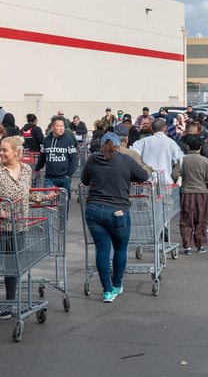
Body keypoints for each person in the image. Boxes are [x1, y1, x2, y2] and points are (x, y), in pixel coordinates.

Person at [0, 136, 50, 320]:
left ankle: (10, 303)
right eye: (0, 150)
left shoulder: (26, 169)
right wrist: (0, 213)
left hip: (19, 226)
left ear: (17, 152)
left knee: (14, 266)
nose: (0, 153)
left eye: (5, 150)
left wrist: (44, 198)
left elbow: (26, 193)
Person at [81, 132, 149, 303]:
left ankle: (107, 291)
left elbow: (84, 179)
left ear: (101, 145)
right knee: (120, 249)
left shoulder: (92, 159)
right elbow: (143, 175)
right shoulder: (124, 159)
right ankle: (117, 284)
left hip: (93, 210)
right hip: (117, 211)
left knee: (102, 250)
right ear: (119, 146)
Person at [172, 135, 208, 254]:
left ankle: (187, 246)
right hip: (202, 193)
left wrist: (181, 179)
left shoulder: (183, 159)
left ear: (188, 147)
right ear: (200, 147)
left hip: (186, 192)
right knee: (201, 219)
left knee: (186, 219)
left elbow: (174, 174)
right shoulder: (204, 160)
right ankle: (200, 245)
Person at [34, 117, 77, 211]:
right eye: (58, 126)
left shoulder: (68, 140)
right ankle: (48, 225)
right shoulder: (46, 140)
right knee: (47, 204)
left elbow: (73, 159)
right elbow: (42, 157)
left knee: (63, 205)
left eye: (62, 126)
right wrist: (36, 169)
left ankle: (62, 225)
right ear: (52, 127)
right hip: (50, 178)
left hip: (64, 178)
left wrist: (69, 175)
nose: (61, 128)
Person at [130, 119, 183, 184]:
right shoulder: (171, 143)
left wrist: (141, 165)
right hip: (166, 182)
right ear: (164, 128)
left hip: (147, 182)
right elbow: (180, 159)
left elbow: (131, 154)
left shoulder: (143, 142)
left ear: (151, 129)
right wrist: (175, 175)